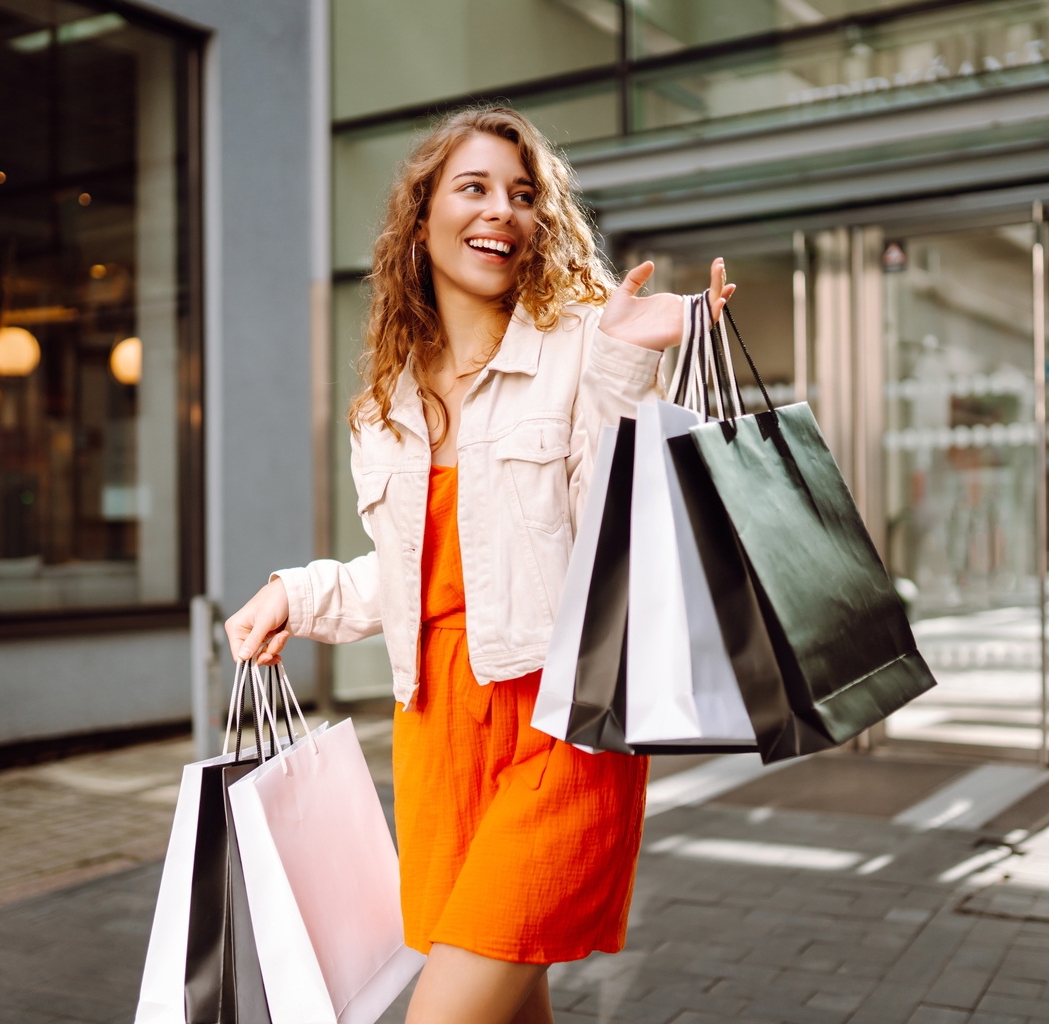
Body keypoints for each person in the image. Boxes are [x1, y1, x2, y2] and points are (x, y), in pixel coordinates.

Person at [225, 106, 734, 1024]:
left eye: (523, 193)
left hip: (565, 721)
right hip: (439, 731)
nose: (502, 208)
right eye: (474, 187)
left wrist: (623, 366)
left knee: (448, 1011)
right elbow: (420, 572)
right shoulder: (385, 401)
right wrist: (295, 594)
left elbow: (608, 536)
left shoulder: (581, 342)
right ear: (422, 219)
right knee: (507, 1002)